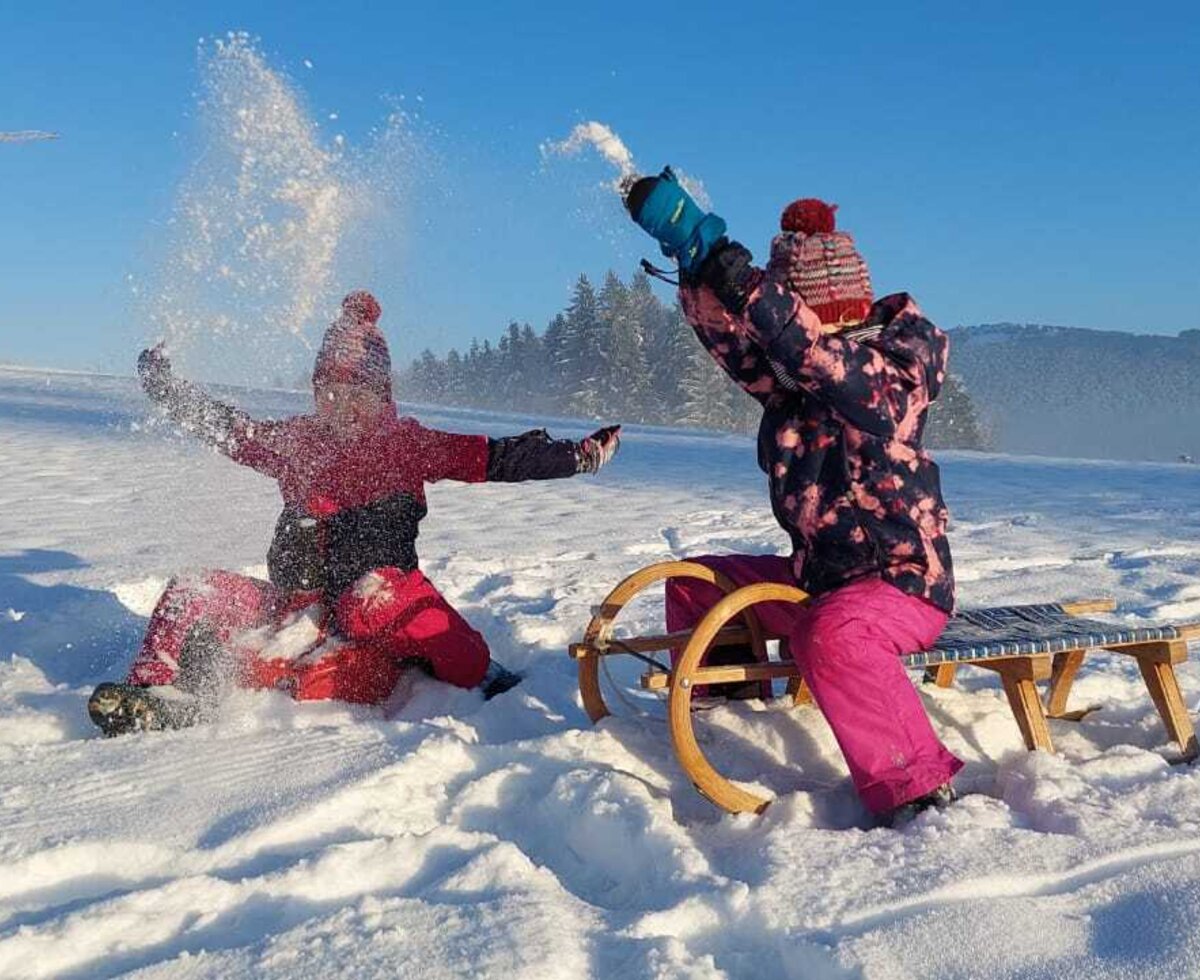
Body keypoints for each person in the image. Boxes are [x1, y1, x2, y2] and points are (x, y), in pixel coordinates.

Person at [89, 290, 621, 735]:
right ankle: (155, 691)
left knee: (376, 606)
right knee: (192, 590)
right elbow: (231, 430)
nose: (341, 405)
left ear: (380, 394)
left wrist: (577, 456)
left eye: (356, 394)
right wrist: (165, 389)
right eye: (328, 392)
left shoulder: (405, 445)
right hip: (298, 611)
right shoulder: (297, 442)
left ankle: (473, 669)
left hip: (378, 610)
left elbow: (499, 457)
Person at [625, 169, 960, 825]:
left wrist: (748, 285)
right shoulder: (793, 382)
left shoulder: (887, 378)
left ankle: (915, 784)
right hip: (824, 577)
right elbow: (736, 343)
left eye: (789, 320)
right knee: (701, 583)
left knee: (830, 635)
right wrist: (698, 263)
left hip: (901, 590)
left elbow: (811, 352)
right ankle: (737, 704)